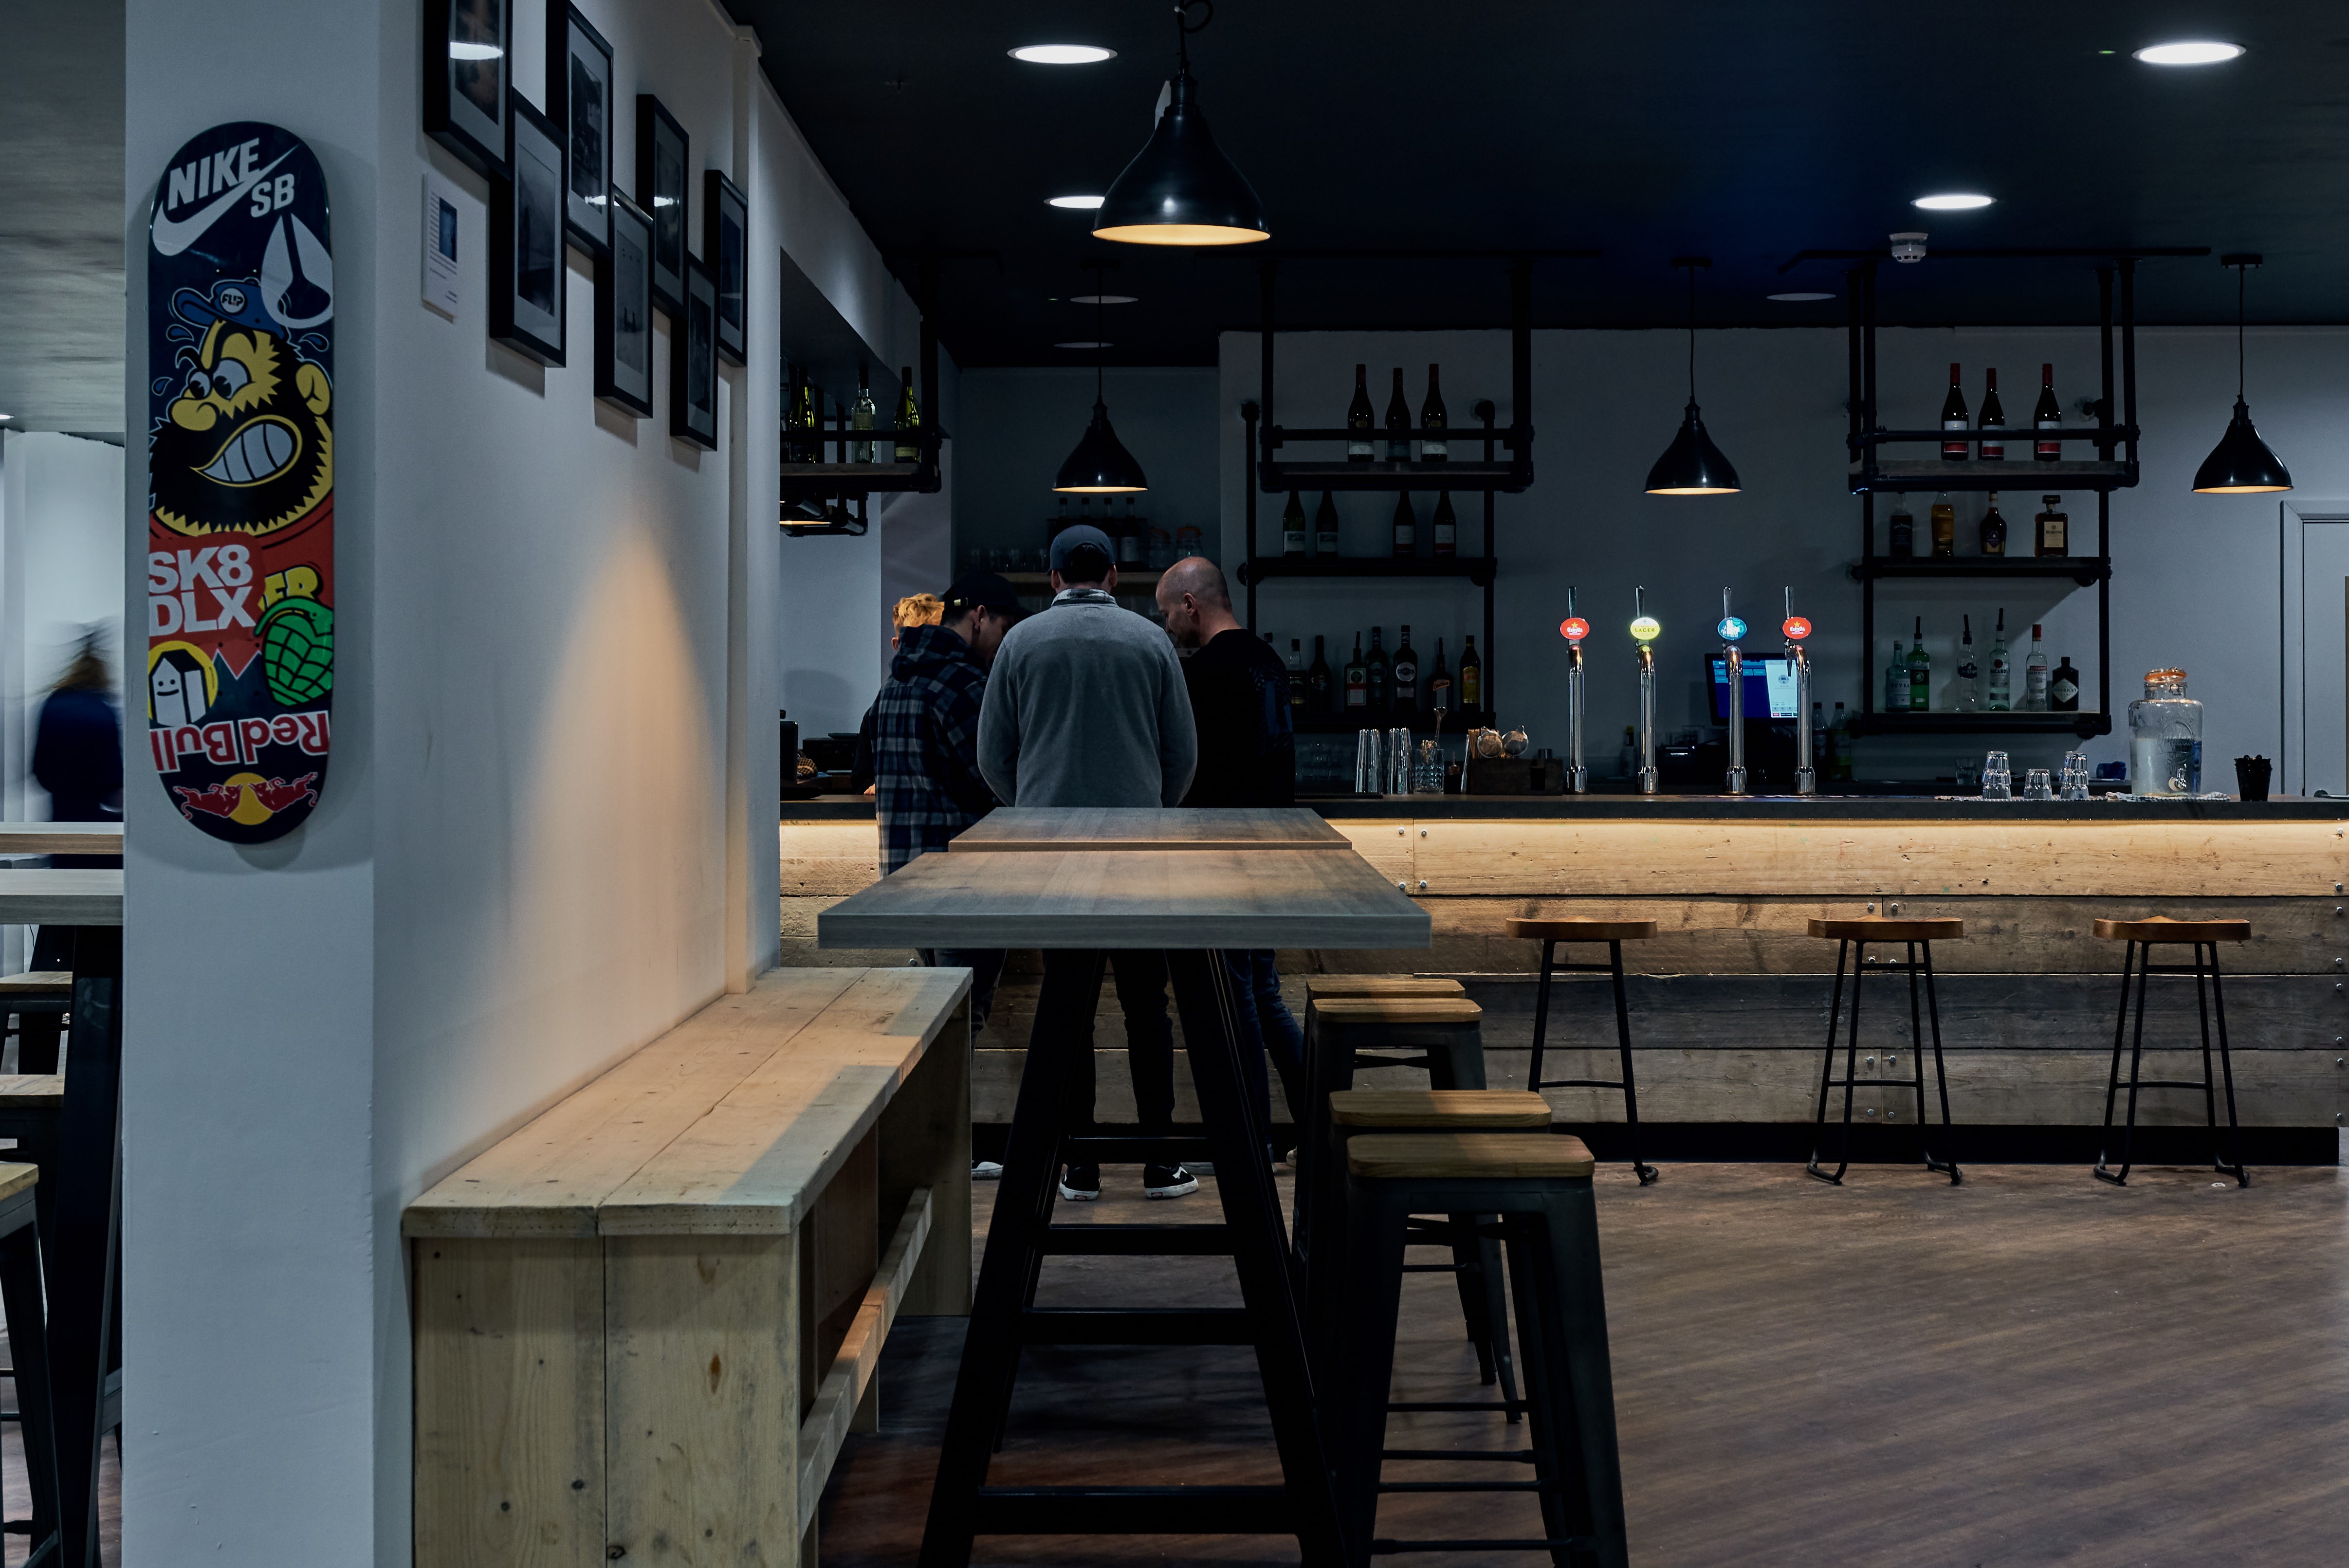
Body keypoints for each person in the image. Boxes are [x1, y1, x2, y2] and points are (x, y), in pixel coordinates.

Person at [978, 525, 1199, 1202]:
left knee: (1066, 1002)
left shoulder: (1018, 643)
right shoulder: (1151, 640)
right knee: (1145, 1005)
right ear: (1112, 575)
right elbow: (1182, 753)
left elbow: (992, 755)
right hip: (1136, 850)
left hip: (1055, 853)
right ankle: (1160, 1160)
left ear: (1051, 579)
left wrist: (1036, 806)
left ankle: (1078, 1163)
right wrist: (1148, 805)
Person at [873, 574, 1021, 1181]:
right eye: (1004, 631)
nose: (1004, 645)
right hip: (963, 875)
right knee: (963, 1016)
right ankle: (939, 1155)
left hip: (908, 874)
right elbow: (991, 777)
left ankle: (929, 1149)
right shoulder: (962, 683)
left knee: (943, 1014)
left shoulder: (898, 680)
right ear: (980, 617)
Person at [1155, 558, 1306, 1141]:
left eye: (1169, 613)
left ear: (1190, 605)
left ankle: (1253, 1140)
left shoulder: (1206, 673)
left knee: (1239, 995)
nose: (1168, 625)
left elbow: (1191, 771)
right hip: (1270, 844)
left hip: (1222, 850)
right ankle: (1313, 1127)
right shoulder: (1267, 662)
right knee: (1262, 992)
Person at [28, 637, 123, 1031]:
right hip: (101, 842)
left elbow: (39, 772)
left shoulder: (52, 705)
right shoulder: (102, 711)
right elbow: (113, 781)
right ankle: (98, 1025)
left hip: (61, 835)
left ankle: (41, 1037)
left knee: (58, 938)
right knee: (103, 941)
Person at [853, 594, 945, 794]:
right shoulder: (878, 711)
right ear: (897, 646)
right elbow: (862, 777)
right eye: (917, 642)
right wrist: (873, 787)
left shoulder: (882, 704)